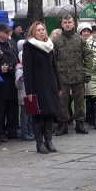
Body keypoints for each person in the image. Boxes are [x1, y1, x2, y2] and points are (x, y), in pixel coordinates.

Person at [23, 21, 62, 154]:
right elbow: (27, 71)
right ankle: (39, 143)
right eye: (39, 30)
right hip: (37, 86)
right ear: (33, 32)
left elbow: (54, 67)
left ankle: (48, 141)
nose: (42, 32)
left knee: (49, 113)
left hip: (50, 84)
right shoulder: (29, 47)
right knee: (38, 114)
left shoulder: (49, 46)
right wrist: (29, 91)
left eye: (43, 29)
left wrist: (58, 85)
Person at [53, 15, 93, 135]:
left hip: (78, 75)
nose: (67, 24)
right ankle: (63, 124)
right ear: (62, 24)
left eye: (69, 22)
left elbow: (88, 55)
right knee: (62, 102)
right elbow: (52, 59)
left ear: (73, 24)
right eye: (65, 22)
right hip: (62, 77)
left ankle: (79, 124)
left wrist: (87, 72)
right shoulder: (56, 40)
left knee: (79, 101)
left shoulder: (80, 39)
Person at [0, 22, 20, 143]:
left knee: (13, 107)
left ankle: (12, 130)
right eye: (6, 32)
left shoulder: (12, 44)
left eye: (9, 31)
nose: (9, 33)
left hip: (13, 80)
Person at [77, 22, 96, 130]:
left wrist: (90, 63)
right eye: (84, 31)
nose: (86, 33)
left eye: (88, 31)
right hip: (79, 73)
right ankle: (81, 120)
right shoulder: (77, 43)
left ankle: (95, 119)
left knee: (94, 97)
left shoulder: (95, 44)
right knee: (79, 98)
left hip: (92, 74)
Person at [15, 40, 35, 141]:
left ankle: (30, 130)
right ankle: (24, 132)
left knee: (31, 115)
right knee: (25, 116)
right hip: (23, 97)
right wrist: (21, 80)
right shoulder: (19, 71)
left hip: (30, 95)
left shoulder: (31, 69)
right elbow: (18, 85)